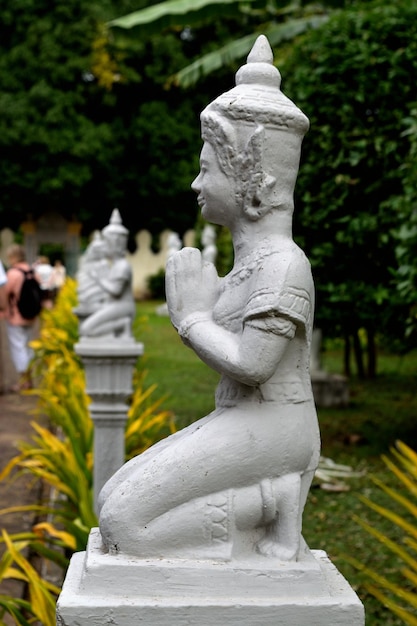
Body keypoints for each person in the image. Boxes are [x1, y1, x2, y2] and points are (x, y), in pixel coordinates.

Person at [98, 36, 320, 562]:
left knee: (125, 525)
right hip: (240, 419)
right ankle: (269, 502)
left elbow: (254, 364)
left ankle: (274, 500)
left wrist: (193, 318)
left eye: (208, 169)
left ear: (250, 181)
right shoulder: (247, 265)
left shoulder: (285, 263)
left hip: (277, 426)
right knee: (110, 496)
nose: (197, 182)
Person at [78, 209, 136, 338]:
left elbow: (116, 291)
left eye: (107, 243)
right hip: (113, 304)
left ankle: (122, 325)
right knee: (85, 325)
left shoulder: (123, 266)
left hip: (123, 307)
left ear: (115, 244)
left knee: (86, 330)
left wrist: (98, 279)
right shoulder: (114, 265)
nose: (104, 247)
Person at [4, 244, 39, 391]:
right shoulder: (31, 271)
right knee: (27, 346)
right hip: (30, 316)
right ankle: (29, 379)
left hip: (16, 315)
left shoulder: (13, 273)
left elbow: (5, 293)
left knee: (18, 347)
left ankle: (24, 381)